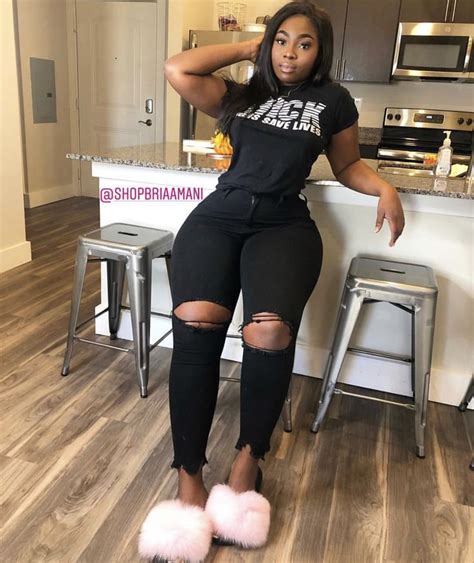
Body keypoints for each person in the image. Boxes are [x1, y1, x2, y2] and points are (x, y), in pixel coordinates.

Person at [138, 2, 405, 561]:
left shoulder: (333, 101)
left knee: (269, 334)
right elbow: (176, 69)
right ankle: (188, 478)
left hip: (284, 222)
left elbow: (347, 164)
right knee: (196, 323)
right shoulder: (240, 94)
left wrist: (383, 187)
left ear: (319, 51)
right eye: (282, 41)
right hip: (221, 215)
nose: (290, 52)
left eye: (303, 44)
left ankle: (246, 462)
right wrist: (249, 48)